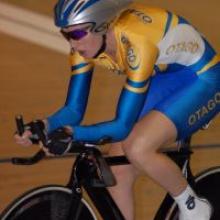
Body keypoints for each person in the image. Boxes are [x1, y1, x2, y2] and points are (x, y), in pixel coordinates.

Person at [14, 0, 220, 219]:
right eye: (66, 35)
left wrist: (72, 134)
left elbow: (122, 126)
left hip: (203, 79)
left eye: (76, 35)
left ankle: (194, 207)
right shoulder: (84, 48)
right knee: (116, 171)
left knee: (138, 147)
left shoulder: (137, 42)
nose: (72, 45)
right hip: (167, 76)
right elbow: (73, 110)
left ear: (102, 26)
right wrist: (44, 126)